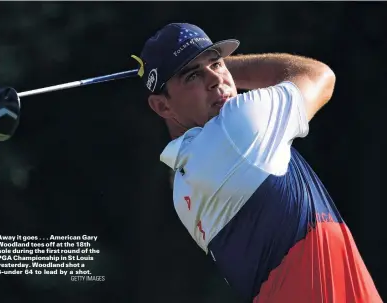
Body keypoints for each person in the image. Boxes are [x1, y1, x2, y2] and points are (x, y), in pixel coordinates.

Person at [131, 23, 382, 302]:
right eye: (192, 76)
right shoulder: (238, 125)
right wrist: (230, 67)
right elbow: (319, 76)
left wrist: (193, 73)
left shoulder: (181, 189)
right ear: (162, 106)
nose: (215, 79)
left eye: (216, 63)